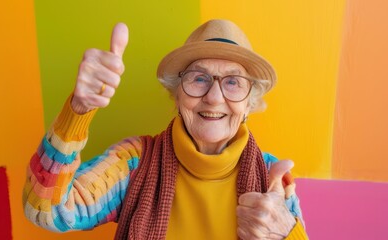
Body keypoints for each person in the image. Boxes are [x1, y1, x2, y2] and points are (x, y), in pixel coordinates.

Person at [23, 19, 308, 239]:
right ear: (177, 94)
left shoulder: (272, 180)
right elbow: (46, 211)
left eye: (233, 82)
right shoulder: (134, 162)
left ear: (249, 102)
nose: (214, 97)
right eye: (199, 78)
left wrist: (287, 233)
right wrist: (78, 110)